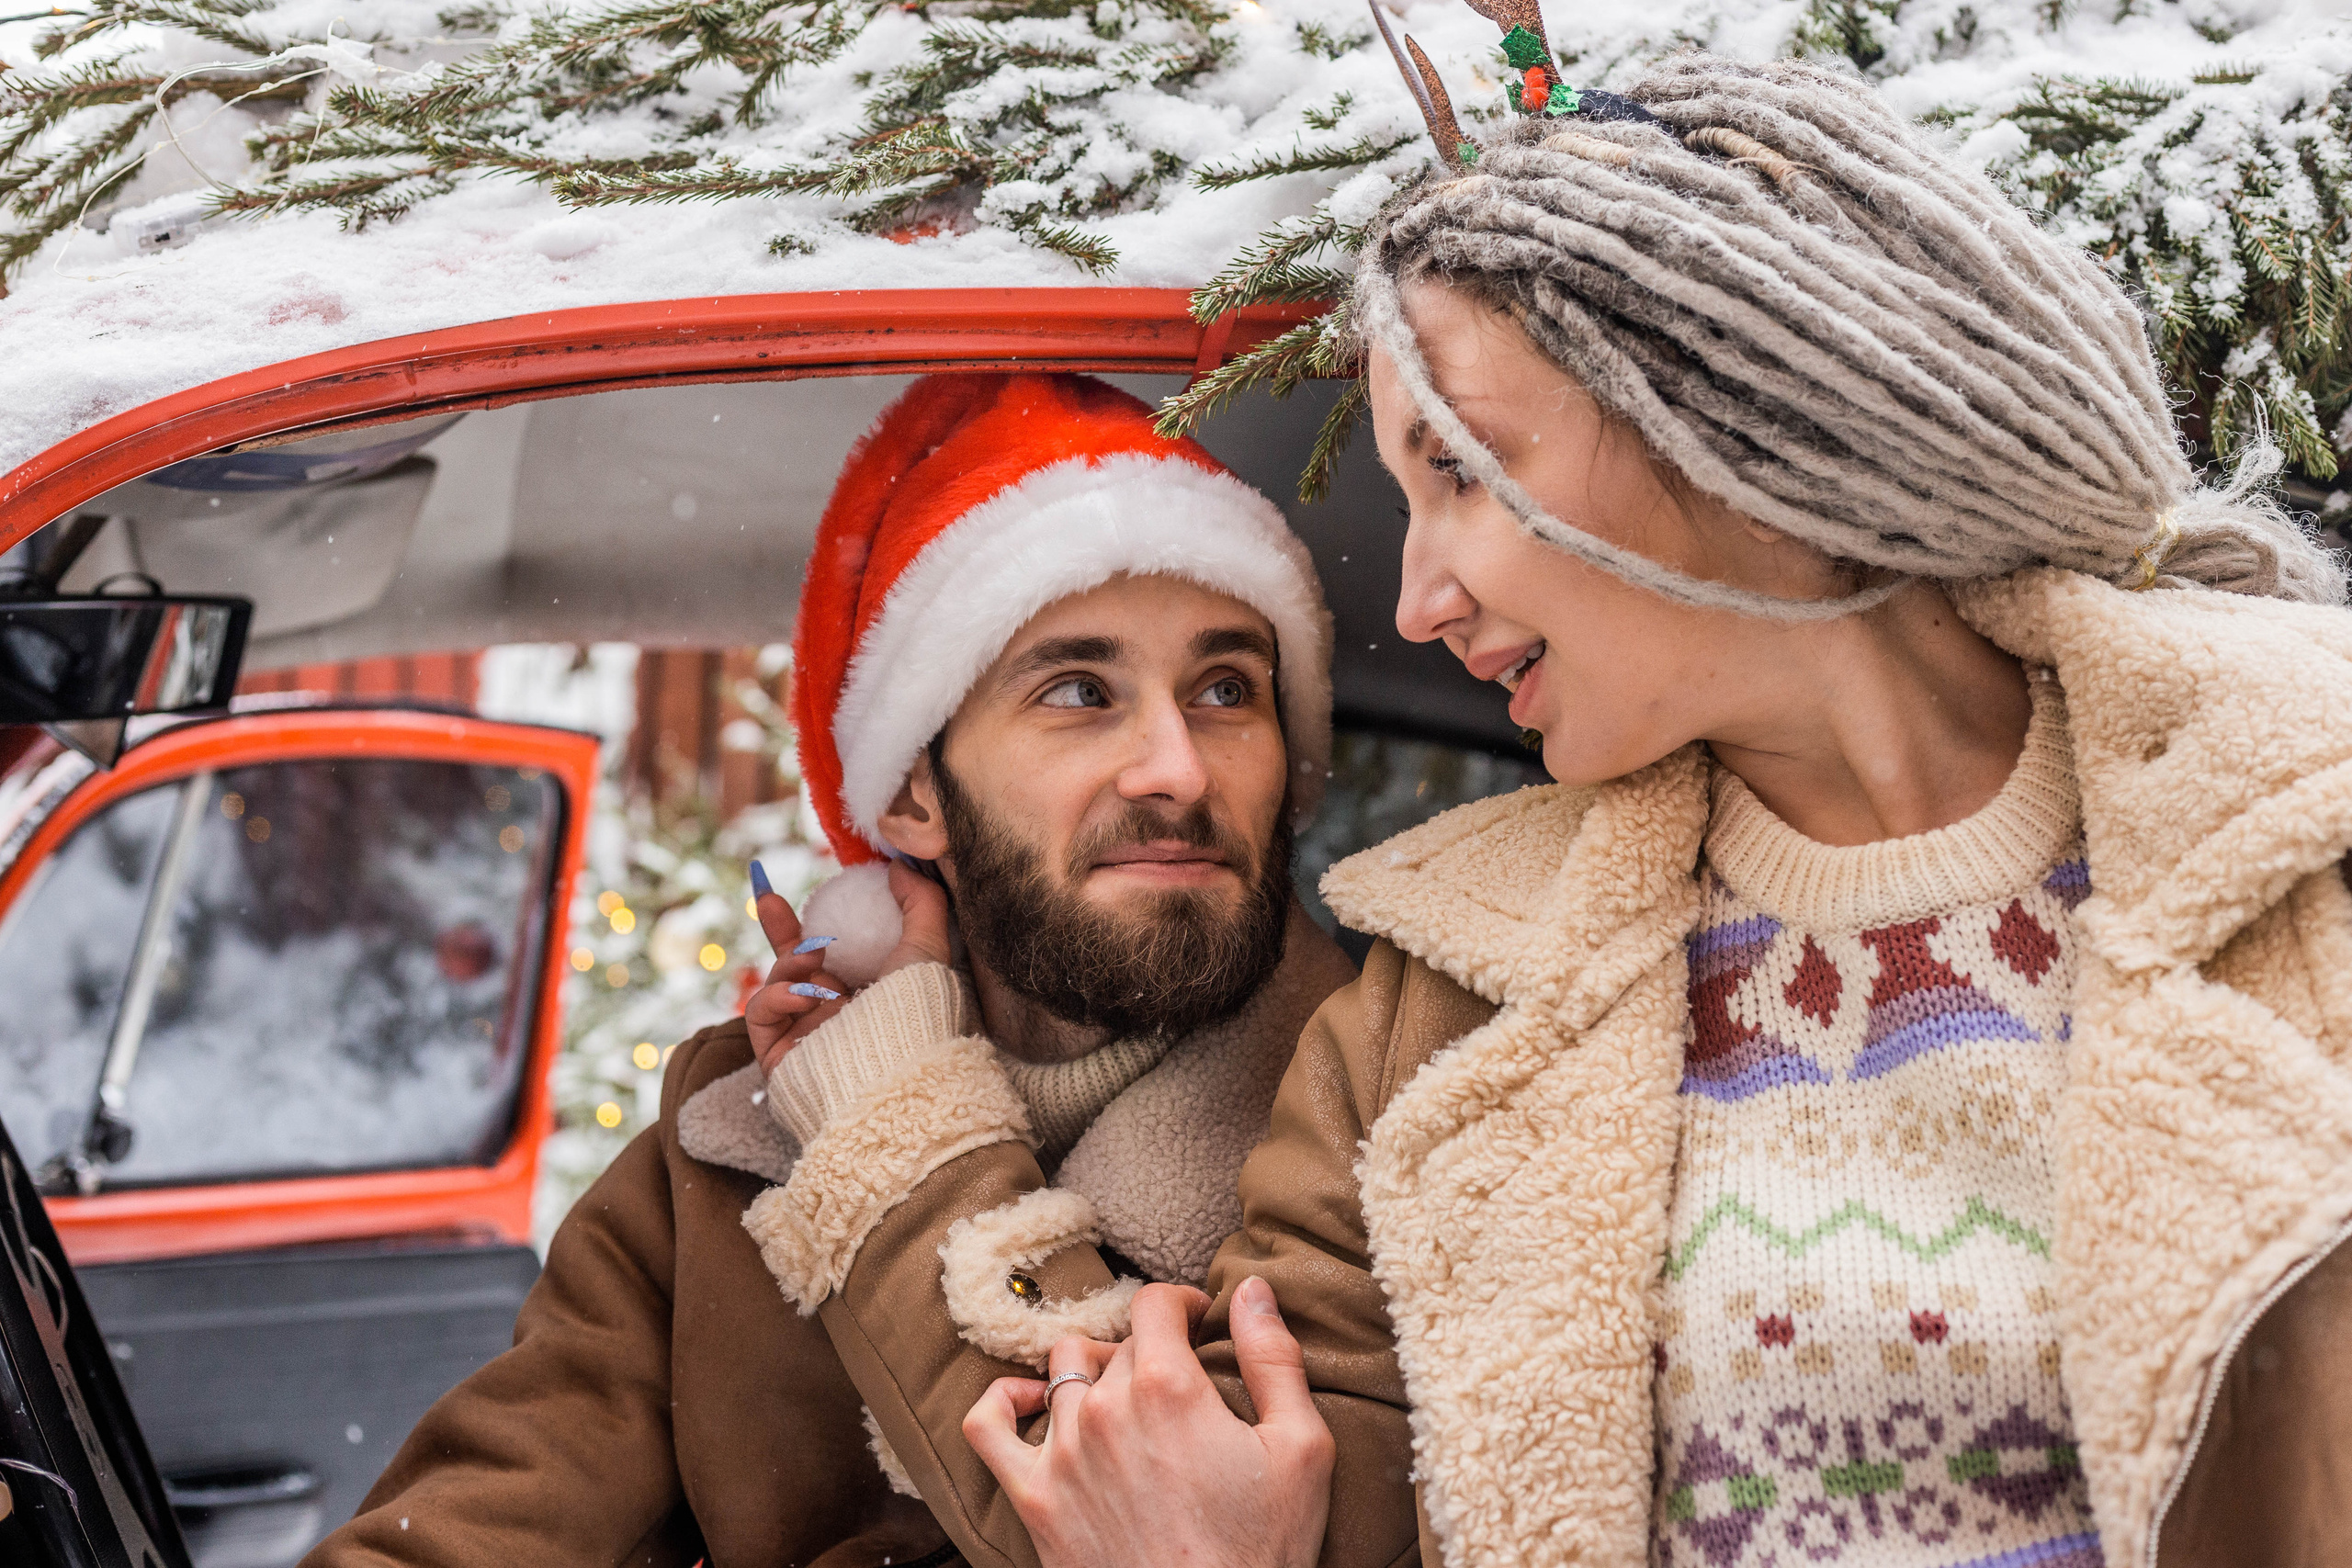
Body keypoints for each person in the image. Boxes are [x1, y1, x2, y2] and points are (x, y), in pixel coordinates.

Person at [964, 48, 2352, 1568]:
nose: (1420, 597)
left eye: (1462, 470)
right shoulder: (1439, 1014)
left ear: (1720, 407)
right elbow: (1257, 1476)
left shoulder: (2304, 840)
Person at [300, 371, 1360, 1568]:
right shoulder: (730, 1150)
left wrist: (887, 1119)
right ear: (914, 793)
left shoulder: (1396, 1115)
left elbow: (1139, 1519)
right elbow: (478, 1522)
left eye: (1227, 689)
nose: (1176, 765)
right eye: (1079, 691)